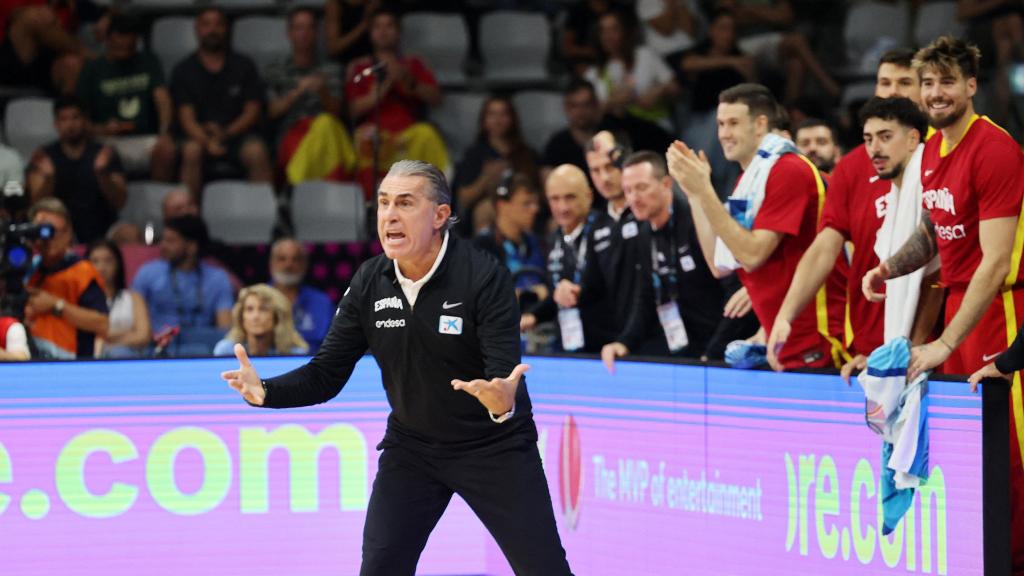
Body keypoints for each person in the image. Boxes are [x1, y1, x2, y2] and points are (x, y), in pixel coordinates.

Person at [220, 160, 573, 575]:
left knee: (545, 568)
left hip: (493, 447)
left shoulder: (482, 276)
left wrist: (501, 400)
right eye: (384, 203)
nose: (389, 215)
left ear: (440, 215)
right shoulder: (370, 281)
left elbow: (502, 373)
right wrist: (267, 391)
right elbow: (326, 373)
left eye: (405, 203)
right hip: (414, 449)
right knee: (381, 566)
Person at [862, 37, 1024, 571]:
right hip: (960, 308)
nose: (935, 93)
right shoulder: (931, 148)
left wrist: (947, 341)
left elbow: (996, 260)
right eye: (927, 83)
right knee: (963, 452)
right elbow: (935, 228)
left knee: (1011, 454)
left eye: (946, 81)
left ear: (971, 86)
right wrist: (891, 266)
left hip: (1000, 311)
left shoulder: (995, 149)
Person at [765, 48, 938, 380]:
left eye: (905, 82)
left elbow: (938, 268)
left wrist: (910, 348)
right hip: (869, 348)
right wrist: (785, 315)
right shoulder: (855, 165)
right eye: (884, 82)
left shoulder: (943, 155)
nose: (893, 91)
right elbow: (823, 249)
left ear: (924, 90)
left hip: (931, 347)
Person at [668, 83, 836, 369]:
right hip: (782, 339)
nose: (723, 134)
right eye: (721, 124)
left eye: (733, 123)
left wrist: (706, 193)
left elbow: (753, 254)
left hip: (816, 335)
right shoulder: (748, 183)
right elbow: (719, 263)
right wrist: (696, 194)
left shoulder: (788, 170)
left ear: (760, 125)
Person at [601, 151, 724, 369]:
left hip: (716, 354)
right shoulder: (643, 234)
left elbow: (730, 291)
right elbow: (646, 296)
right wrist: (624, 341)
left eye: (641, 187)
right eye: (628, 190)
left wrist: (714, 353)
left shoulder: (696, 222)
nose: (634, 198)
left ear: (666, 184)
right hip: (679, 350)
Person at [171, 7, 271, 201]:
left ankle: (264, 215)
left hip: (237, 134)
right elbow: (186, 118)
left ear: (227, 29)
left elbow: (252, 111)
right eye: (206, 24)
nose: (212, 30)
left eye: (218, 24)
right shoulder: (183, 69)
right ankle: (187, 219)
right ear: (197, 29)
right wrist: (207, 141)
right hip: (199, 136)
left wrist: (226, 134)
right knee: (191, 152)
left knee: (257, 152)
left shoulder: (244, 65)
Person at [346, 8, 447, 198]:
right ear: (370, 33)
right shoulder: (360, 67)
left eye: (389, 26)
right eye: (378, 27)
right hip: (374, 135)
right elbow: (351, 111)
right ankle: (371, 207)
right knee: (362, 139)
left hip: (408, 136)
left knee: (427, 134)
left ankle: (437, 199)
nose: (383, 32)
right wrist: (380, 89)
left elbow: (436, 98)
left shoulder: (413, 63)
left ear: (399, 31)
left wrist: (410, 81)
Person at [521, 164, 617, 353]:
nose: (562, 207)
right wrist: (533, 316)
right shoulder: (556, 238)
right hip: (570, 347)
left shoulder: (606, 231)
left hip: (606, 347)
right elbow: (557, 294)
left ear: (588, 196)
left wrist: (579, 291)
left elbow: (609, 286)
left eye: (570, 197)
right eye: (555, 199)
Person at [75, 12, 176, 181]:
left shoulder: (148, 61)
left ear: (136, 42)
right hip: (107, 139)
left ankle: (158, 199)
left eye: (128, 48)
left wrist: (165, 132)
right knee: (102, 157)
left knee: (166, 150)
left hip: (145, 137)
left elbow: (162, 98)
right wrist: (102, 129)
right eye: (117, 47)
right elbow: (79, 116)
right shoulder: (92, 69)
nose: (123, 52)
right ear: (107, 41)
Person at [266, 7, 354, 186]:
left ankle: (294, 184)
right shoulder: (275, 70)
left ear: (317, 33)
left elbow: (337, 112)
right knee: (326, 130)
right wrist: (297, 91)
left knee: (326, 123)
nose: (304, 34)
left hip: (328, 135)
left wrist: (323, 91)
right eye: (299, 28)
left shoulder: (332, 69)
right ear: (290, 33)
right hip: (292, 134)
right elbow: (272, 112)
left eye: (309, 28)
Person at [26, 95, 127, 245]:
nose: (70, 125)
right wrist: (49, 179)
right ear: (56, 124)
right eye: (64, 119)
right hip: (58, 228)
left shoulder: (104, 154)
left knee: (129, 234)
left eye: (75, 118)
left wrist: (102, 174)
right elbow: (35, 206)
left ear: (85, 121)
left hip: (104, 227)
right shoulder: (43, 156)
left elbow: (120, 202)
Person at [678, 9, 754, 194]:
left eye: (731, 29)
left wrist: (742, 67)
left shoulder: (742, 57)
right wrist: (730, 62)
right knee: (718, 123)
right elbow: (687, 64)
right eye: (722, 28)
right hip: (698, 122)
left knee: (731, 135)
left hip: (730, 126)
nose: (727, 34)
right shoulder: (701, 52)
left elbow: (754, 90)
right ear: (711, 30)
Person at [24, 197, 108, 358]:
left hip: (68, 361)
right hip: (29, 355)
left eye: (53, 232)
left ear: (68, 233)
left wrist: (56, 305)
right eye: (41, 232)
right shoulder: (29, 269)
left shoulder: (82, 271)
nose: (47, 239)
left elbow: (102, 323)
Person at [132, 214, 234, 335]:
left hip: (203, 348)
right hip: (157, 348)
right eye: (163, 240)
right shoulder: (148, 273)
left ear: (192, 247)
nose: (163, 246)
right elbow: (139, 331)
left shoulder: (218, 279)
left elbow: (225, 331)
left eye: (171, 241)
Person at [453, 95, 540, 236]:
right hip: (487, 210)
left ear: (512, 119)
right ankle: (486, 255)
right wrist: (486, 178)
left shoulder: (526, 153)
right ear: (484, 121)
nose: (498, 120)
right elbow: (464, 199)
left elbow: (538, 192)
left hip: (522, 205)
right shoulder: (474, 154)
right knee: (485, 209)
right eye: (492, 114)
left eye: (503, 114)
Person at [721, 0, 840, 103]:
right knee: (797, 40)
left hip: (771, 40)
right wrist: (770, 14)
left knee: (796, 64)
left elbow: (785, 16)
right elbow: (730, 16)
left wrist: (751, 11)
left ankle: (787, 117)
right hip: (742, 43)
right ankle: (831, 87)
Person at [585, 9, 681, 130]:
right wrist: (612, 102)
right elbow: (588, 116)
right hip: (619, 134)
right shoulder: (594, 73)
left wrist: (660, 90)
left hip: (657, 128)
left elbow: (676, 88)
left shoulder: (645, 55)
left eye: (614, 29)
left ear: (626, 32)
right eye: (603, 31)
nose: (608, 36)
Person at [473, 173, 547, 308]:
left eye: (535, 203)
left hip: (540, 320)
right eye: (527, 203)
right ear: (502, 205)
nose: (535, 209)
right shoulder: (482, 246)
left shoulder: (538, 243)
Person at [0, 1, 90, 95]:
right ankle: (97, 61)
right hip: (12, 48)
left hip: (50, 56)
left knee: (72, 65)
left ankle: (67, 105)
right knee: (31, 18)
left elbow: (95, 14)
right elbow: (15, 13)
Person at [87, 238, 152, 358]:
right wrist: (128, 333)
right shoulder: (80, 300)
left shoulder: (134, 298)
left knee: (119, 353)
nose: (101, 267)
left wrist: (108, 341)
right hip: (90, 356)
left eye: (108, 261)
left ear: (118, 264)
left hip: (127, 356)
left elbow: (143, 335)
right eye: (95, 261)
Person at [268, 237, 334, 352]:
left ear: (305, 264)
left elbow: (335, 345)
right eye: (282, 259)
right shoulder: (256, 300)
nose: (288, 264)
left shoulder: (322, 302)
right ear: (271, 263)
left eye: (295, 259)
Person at [213, 283, 307, 357]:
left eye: (263, 309)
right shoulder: (226, 351)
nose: (255, 316)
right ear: (241, 317)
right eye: (249, 309)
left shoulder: (295, 354)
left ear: (277, 317)